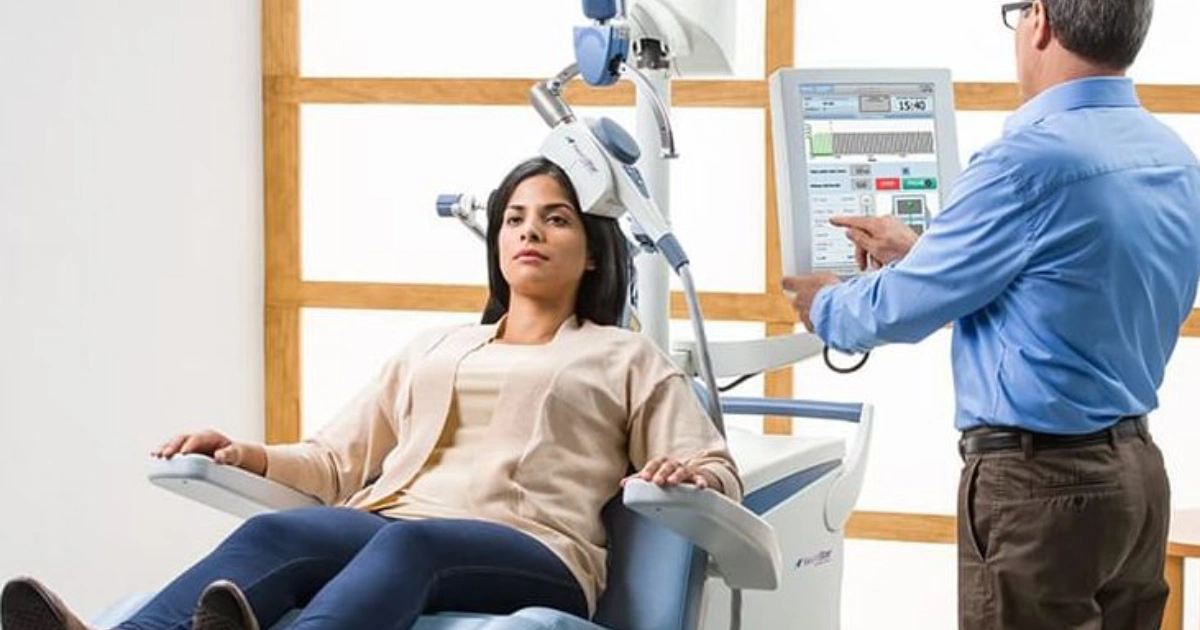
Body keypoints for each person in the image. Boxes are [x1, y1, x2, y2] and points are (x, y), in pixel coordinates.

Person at [1, 157, 741, 630]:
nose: (530, 232)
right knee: (276, 536)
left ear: (591, 251)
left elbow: (710, 463)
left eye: (556, 219)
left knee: (411, 544)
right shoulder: (435, 347)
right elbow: (332, 462)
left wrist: (693, 472)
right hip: (393, 525)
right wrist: (243, 452)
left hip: (533, 549)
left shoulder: (622, 356)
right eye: (515, 217)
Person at [782, 1, 1200, 628]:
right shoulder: (1171, 156)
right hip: (1135, 478)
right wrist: (924, 255)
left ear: (1040, 21)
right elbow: (1064, 292)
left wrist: (828, 306)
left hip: (1042, 487)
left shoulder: (1025, 162)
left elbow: (902, 307)